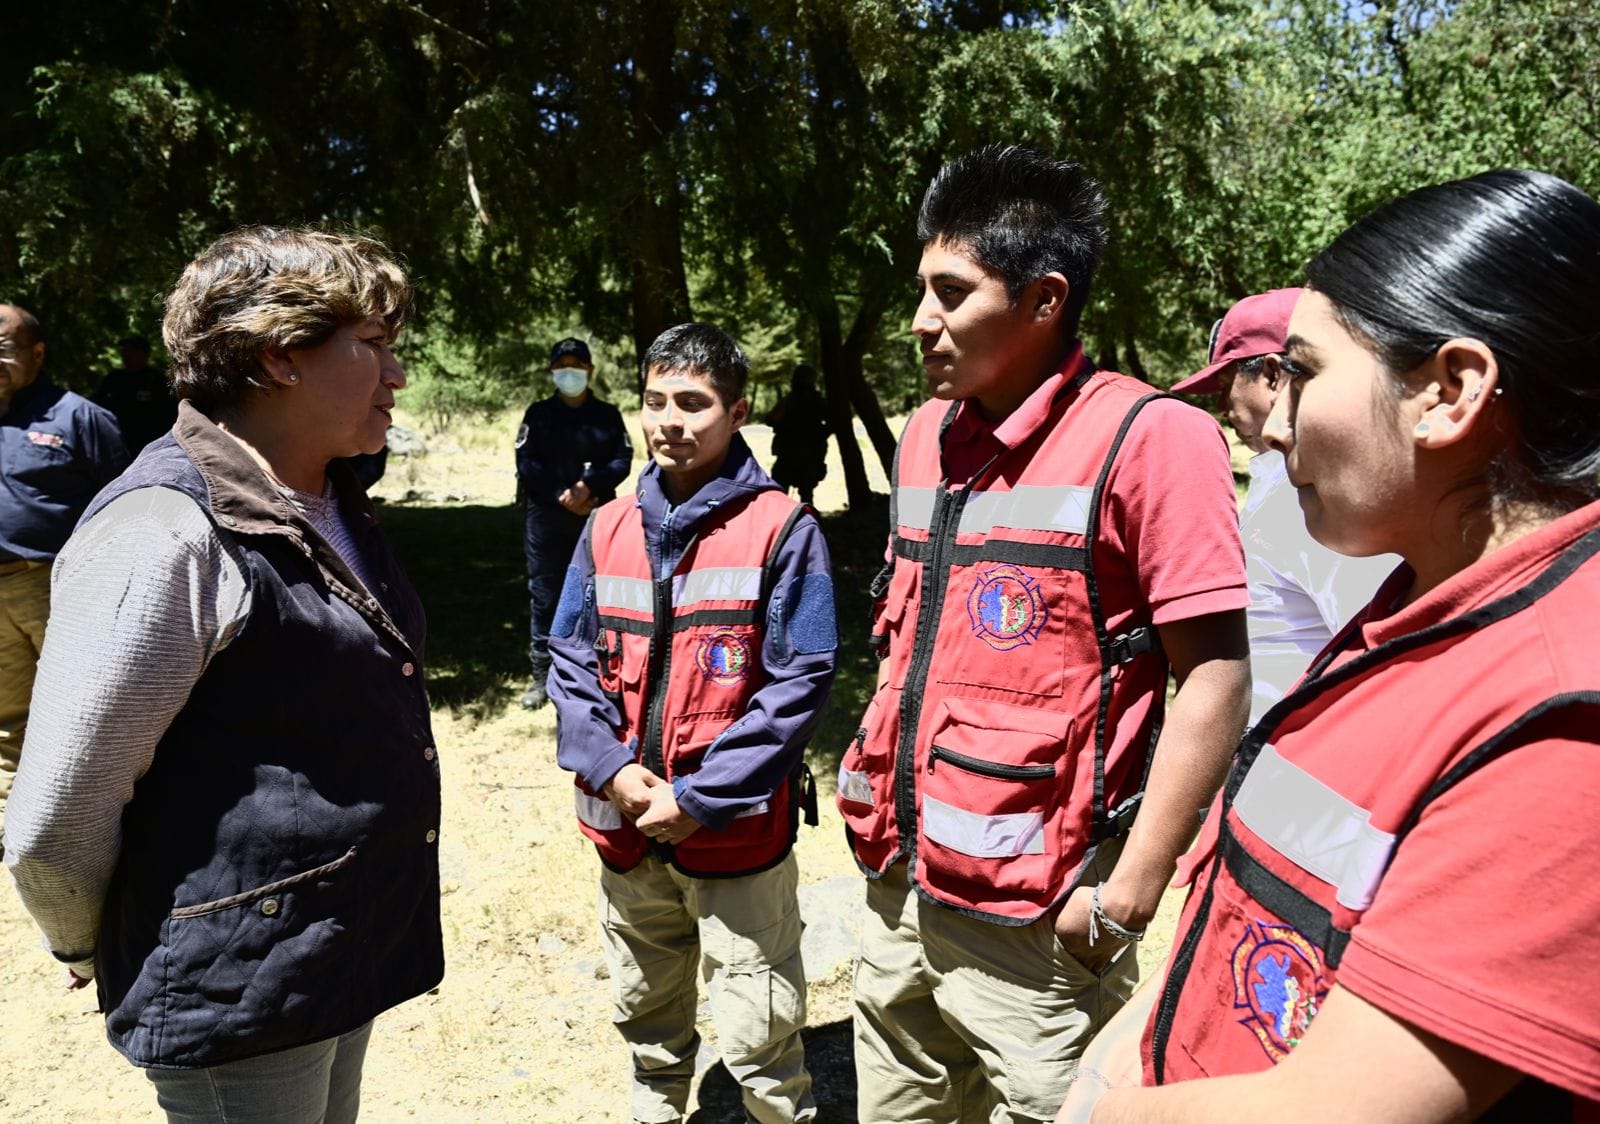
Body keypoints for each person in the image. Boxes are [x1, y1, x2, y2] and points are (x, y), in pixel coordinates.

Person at [1058, 170, 1600, 1122]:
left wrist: (1106, 1110)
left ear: (1450, 392)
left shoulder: (1565, 714)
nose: (1280, 423)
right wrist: (1136, 1044)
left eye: (1303, 372)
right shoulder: (1423, 600)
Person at [838, 144, 1251, 1122]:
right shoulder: (919, 435)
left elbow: (1217, 675)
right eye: (919, 288)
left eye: (951, 290)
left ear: (1043, 299)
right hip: (899, 888)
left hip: (1042, 921)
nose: (919, 319)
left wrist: (1127, 895)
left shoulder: (1152, 438)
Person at [2, 227, 443, 1123]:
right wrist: (86, 939)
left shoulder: (321, 495)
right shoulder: (163, 530)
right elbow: (57, 812)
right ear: (281, 356)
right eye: (375, 346)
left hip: (325, 945)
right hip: (237, 975)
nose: (397, 375)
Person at [549, 322, 837, 1124]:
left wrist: (703, 797)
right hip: (625, 823)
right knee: (646, 1007)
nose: (670, 421)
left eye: (694, 403)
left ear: (738, 410)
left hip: (733, 834)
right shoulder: (605, 528)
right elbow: (568, 659)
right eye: (655, 401)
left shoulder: (783, 529)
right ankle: (656, 1108)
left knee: (758, 1026)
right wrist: (609, 766)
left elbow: (800, 683)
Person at [1171, 289, 1395, 725]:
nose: (1221, 408)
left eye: (1225, 386)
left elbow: (1375, 645)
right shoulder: (1281, 488)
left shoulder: (1312, 498)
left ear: (1273, 376)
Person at [0, 304, 129, 828]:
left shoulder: (80, 417)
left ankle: (83, 824)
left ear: (37, 352)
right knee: (7, 718)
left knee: (82, 709)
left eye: (4, 350)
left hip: (57, 590)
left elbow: (129, 505)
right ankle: (11, 820)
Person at [516, 336, 632, 710]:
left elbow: (621, 461)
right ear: (552, 371)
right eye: (563, 365)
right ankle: (541, 675)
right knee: (545, 595)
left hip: (597, 516)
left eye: (577, 365)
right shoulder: (538, 414)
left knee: (596, 596)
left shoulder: (608, 415)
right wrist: (561, 495)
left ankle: (598, 671)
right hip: (546, 518)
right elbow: (526, 462)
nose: (571, 373)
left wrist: (589, 487)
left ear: (590, 370)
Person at [93, 333, 178, 454]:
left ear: (145, 354)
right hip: (116, 443)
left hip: (148, 446)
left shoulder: (157, 380)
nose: (127, 354)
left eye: (132, 350)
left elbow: (169, 413)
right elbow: (98, 407)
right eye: (124, 350)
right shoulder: (113, 379)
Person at [767, 361, 829, 505]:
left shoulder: (790, 400)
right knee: (805, 493)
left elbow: (770, 419)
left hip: (792, 453)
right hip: (806, 453)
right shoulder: (817, 401)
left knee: (783, 491)